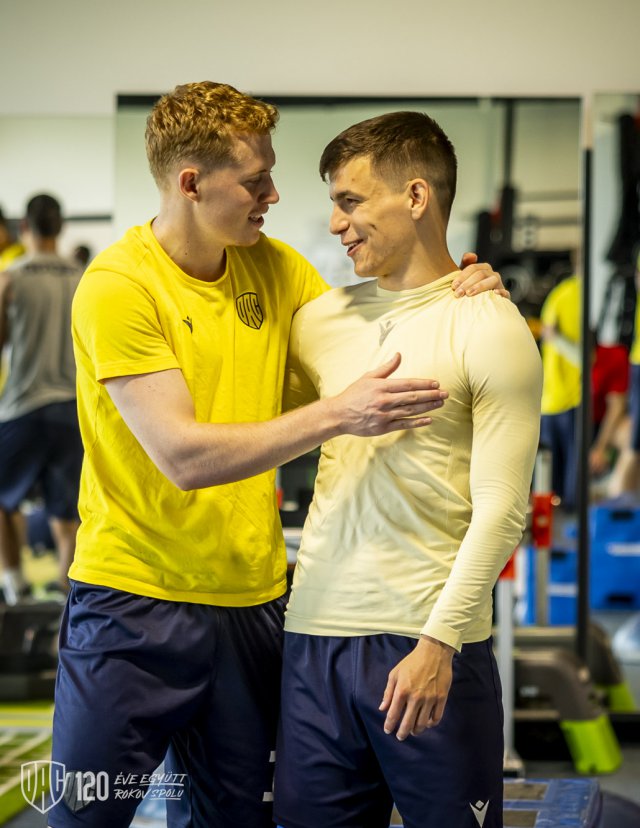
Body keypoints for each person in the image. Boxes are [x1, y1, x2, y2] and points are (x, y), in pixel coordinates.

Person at [49, 82, 506, 828]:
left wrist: (464, 287)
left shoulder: (277, 269)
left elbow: (381, 327)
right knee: (83, 817)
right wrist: (338, 415)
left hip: (252, 606)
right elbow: (184, 456)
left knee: (236, 820)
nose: (273, 194)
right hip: (131, 606)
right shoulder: (117, 287)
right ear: (190, 184)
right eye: (255, 181)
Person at [274, 111, 542, 828]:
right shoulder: (319, 321)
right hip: (315, 635)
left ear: (416, 196)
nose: (336, 224)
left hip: (428, 640)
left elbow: (502, 509)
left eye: (350, 201)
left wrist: (439, 642)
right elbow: (265, 433)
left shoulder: (490, 325)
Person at [0, 194, 83, 605]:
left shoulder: (10, 278)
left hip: (24, 406)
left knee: (3, 502)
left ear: (25, 228)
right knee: (66, 515)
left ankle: (15, 587)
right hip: (72, 409)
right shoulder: (85, 277)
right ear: (61, 227)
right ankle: (67, 599)